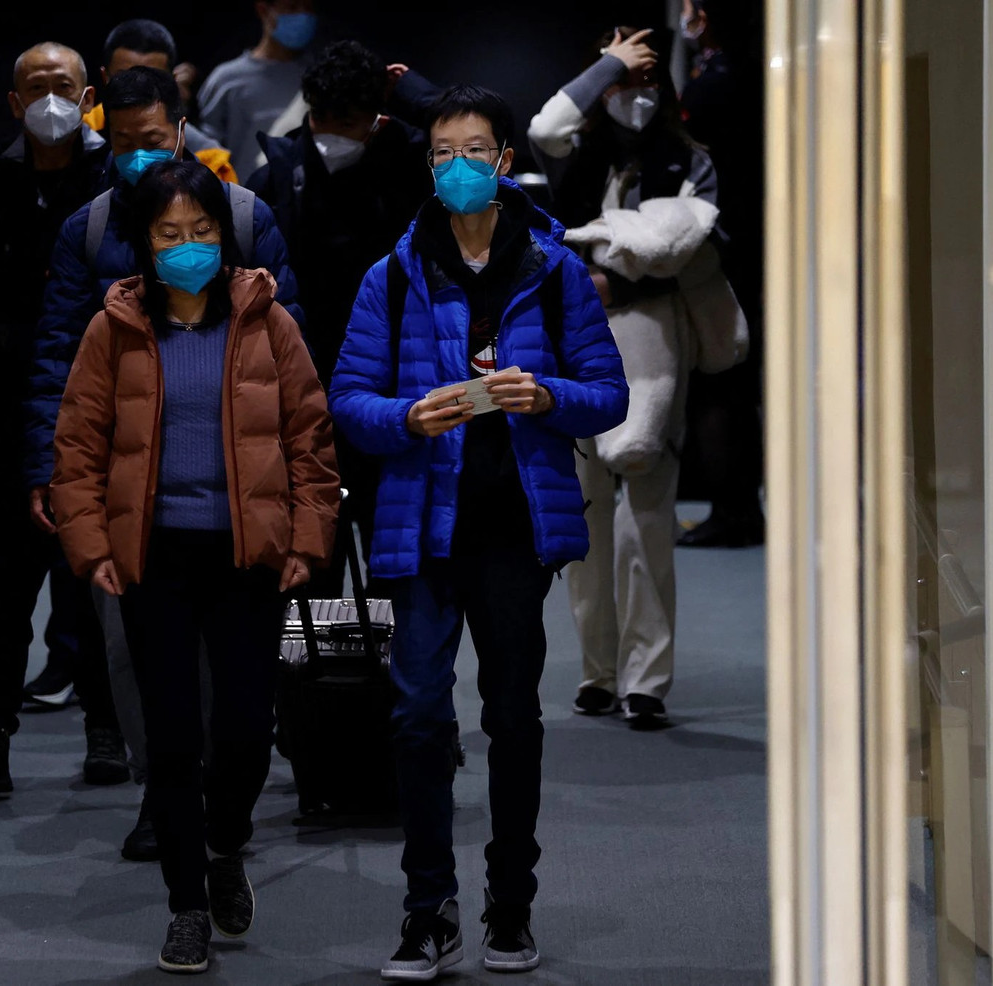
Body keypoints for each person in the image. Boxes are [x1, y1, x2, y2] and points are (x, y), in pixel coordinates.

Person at [331, 85, 629, 980]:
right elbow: (349, 400)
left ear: (504, 161)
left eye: (474, 151)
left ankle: (510, 905)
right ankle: (428, 910)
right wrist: (406, 419)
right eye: (442, 153)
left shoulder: (553, 268)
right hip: (419, 529)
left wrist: (548, 397)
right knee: (419, 716)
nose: (457, 166)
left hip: (513, 529)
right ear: (429, 164)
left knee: (510, 716)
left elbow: (608, 393)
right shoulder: (393, 274)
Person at [51, 159, 339, 975]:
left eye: (203, 232)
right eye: (170, 234)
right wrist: (91, 546)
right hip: (153, 557)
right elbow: (76, 448)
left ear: (227, 236)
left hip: (249, 555)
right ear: (144, 244)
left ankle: (226, 846)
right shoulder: (113, 329)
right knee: (173, 738)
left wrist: (308, 540)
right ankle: (185, 905)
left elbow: (311, 442)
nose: (188, 248)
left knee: (248, 730)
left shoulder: (266, 321)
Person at [24, 65, 302, 862]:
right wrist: (50, 470)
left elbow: (296, 373)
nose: (137, 157)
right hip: (132, 490)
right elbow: (59, 368)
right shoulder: (89, 229)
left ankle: (222, 797)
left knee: (239, 676)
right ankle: (165, 795)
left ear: (180, 130)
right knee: (135, 659)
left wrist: (307, 503)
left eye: (152, 142)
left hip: (239, 492)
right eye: (121, 144)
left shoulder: (244, 217)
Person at [529, 27, 746, 729]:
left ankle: (645, 678)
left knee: (646, 511)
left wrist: (607, 277)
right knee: (586, 515)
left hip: (657, 342)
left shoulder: (692, 162)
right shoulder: (577, 155)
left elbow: (675, 249)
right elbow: (546, 124)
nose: (634, 94)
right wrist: (608, 66)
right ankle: (598, 669)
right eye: (623, 81)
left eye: (648, 79)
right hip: (574, 345)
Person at [0, 42, 129, 793]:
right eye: (37, 88)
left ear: (89, 98)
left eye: (65, 86)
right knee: (2, 579)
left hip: (109, 412)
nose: (52, 99)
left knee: (99, 576)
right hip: (13, 411)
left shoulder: (117, 180)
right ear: (15, 104)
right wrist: (29, 349)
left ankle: (108, 730)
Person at [246, 39, 433, 596]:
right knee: (308, 564)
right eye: (321, 118)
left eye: (347, 121)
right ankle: (310, 682)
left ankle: (390, 680)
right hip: (301, 394)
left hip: (392, 390)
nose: (330, 133)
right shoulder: (276, 177)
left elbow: (484, 132)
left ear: (376, 118)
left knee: (394, 563)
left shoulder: (414, 169)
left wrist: (416, 95)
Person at [675, 0, 766, 547]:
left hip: (724, 247)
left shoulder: (717, 81)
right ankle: (737, 506)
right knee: (731, 385)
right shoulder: (749, 70)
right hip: (747, 242)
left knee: (720, 383)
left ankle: (733, 511)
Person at [79, 18, 239, 184]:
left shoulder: (209, 160)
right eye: (125, 77)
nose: (138, 89)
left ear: (174, 81)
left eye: (153, 141)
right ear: (105, 78)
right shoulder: (78, 136)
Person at [197, 0, 319, 182]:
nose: (302, 15)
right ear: (263, 10)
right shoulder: (226, 80)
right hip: (241, 202)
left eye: (308, 8)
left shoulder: (318, 76)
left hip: (303, 203)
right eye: (292, 7)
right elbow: (205, 154)